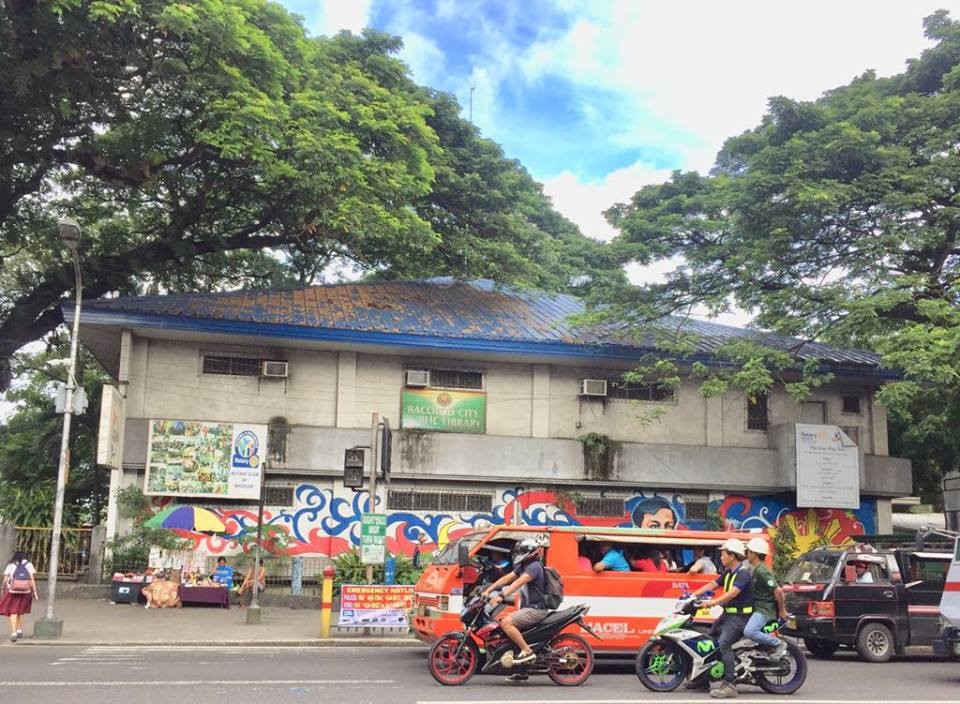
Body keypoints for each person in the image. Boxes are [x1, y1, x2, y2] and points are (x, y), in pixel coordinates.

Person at [688, 537, 753, 699]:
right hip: (728, 615)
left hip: (740, 617)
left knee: (723, 644)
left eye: (723, 554)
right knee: (709, 640)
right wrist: (691, 596)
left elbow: (732, 593)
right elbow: (712, 585)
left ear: (732, 556)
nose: (721, 557)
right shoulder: (729, 572)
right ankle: (703, 679)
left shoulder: (743, 574)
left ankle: (729, 684)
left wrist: (712, 602)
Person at [481, 538, 548, 670]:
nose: (518, 554)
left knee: (506, 623)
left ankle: (527, 651)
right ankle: (521, 671)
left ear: (529, 553)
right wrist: (488, 590)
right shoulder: (523, 566)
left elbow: (518, 582)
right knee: (503, 628)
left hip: (536, 610)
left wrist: (501, 596)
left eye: (520, 551)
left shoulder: (534, 567)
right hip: (527, 608)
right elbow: (507, 578)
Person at [742, 537, 788, 660]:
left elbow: (778, 591)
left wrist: (782, 610)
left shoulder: (761, 571)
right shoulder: (755, 570)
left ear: (754, 554)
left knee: (750, 632)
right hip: (757, 609)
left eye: (749, 552)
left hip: (764, 611)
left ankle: (777, 643)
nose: (747, 554)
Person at [0, 551, 38, 642]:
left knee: (13, 611)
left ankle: (13, 633)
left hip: (13, 591)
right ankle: (19, 630)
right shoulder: (29, 565)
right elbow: (32, 580)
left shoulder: (11, 565)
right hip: (25, 591)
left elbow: (5, 580)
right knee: (21, 612)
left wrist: (2, 589)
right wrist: (35, 592)